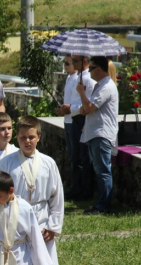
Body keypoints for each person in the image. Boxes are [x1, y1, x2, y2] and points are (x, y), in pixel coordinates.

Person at [0, 115, 65, 265]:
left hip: (42, 223)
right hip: (17, 227)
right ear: (17, 137)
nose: (27, 141)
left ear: (39, 137)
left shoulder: (48, 163)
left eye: (31, 137)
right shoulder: (7, 163)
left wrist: (53, 226)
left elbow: (57, 198)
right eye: (23, 137)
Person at [77, 56, 119, 215]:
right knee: (99, 169)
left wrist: (81, 93)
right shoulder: (101, 85)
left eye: (91, 68)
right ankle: (102, 203)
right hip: (96, 132)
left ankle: (103, 206)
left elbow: (88, 109)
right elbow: (86, 109)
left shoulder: (106, 86)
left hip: (101, 133)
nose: (88, 71)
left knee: (102, 171)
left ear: (99, 70)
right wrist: (85, 106)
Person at [57, 55, 95, 201]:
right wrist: (64, 109)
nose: (72, 63)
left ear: (85, 62)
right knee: (75, 157)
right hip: (70, 121)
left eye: (75, 61)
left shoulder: (87, 79)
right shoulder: (73, 77)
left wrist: (70, 109)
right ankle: (77, 188)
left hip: (79, 120)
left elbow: (88, 105)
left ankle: (84, 190)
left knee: (82, 157)